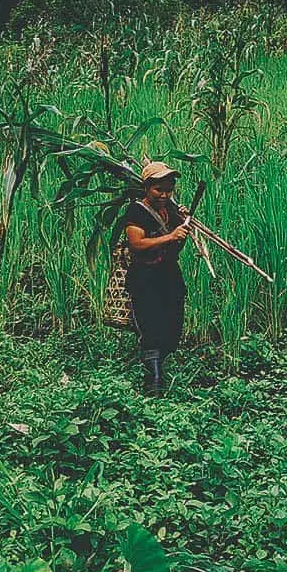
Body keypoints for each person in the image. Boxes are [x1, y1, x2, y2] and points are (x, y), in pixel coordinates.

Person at [123, 161, 190, 396]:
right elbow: (137, 244)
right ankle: (154, 385)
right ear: (147, 188)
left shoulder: (169, 210)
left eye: (168, 190)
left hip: (169, 276)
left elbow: (176, 244)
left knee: (172, 323)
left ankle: (162, 365)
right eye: (158, 190)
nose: (164, 195)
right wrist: (170, 236)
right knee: (150, 327)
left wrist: (182, 222)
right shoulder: (136, 211)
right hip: (146, 278)